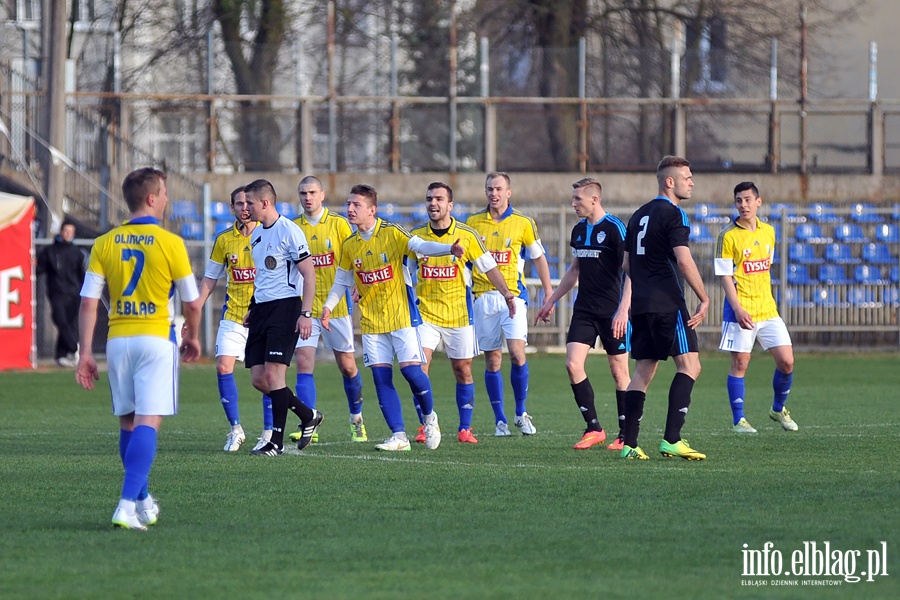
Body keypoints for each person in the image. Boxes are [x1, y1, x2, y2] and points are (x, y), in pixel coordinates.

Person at [75, 167, 202, 530]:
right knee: (149, 420)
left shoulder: (104, 242)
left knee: (128, 422)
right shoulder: (170, 242)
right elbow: (192, 303)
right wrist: (192, 335)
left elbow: (88, 303)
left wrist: (85, 353)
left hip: (117, 341)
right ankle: (126, 504)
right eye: (163, 193)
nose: (166, 199)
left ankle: (143, 500)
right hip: (156, 339)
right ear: (151, 198)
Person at [321, 184, 464, 452]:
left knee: (411, 371)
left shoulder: (391, 232)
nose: (350, 209)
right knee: (380, 379)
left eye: (356, 205)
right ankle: (399, 436)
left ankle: (430, 418)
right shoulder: (350, 244)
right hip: (372, 323)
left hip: (402, 318)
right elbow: (342, 278)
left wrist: (448, 250)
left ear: (372, 210)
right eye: (349, 204)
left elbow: (419, 245)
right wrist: (329, 306)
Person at [408, 182, 517, 444]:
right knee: (418, 369)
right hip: (425, 315)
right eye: (429, 199)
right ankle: (427, 424)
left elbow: (489, 268)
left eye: (439, 199)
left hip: (459, 315)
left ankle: (464, 428)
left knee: (463, 370)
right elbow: (404, 271)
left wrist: (508, 294)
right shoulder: (416, 236)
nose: (433, 204)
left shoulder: (466, 235)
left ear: (450, 205)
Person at [621, 156, 710, 461]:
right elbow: (683, 260)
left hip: (642, 305)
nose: (691, 182)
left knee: (643, 371)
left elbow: (626, 264)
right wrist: (705, 297)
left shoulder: (637, 216)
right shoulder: (674, 214)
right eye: (687, 177)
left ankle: (630, 445)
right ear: (669, 182)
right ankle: (672, 439)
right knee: (690, 366)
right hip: (668, 303)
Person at [535, 178, 632, 450]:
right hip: (585, 310)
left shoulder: (615, 229)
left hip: (613, 311)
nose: (573, 203)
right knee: (572, 364)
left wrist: (624, 309)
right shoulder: (578, 230)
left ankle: (625, 435)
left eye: (578, 199)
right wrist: (551, 300)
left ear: (594, 200)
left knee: (618, 371)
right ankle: (594, 428)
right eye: (573, 198)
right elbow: (575, 270)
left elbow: (631, 271)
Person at [465, 171, 554, 436]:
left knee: (516, 353)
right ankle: (500, 420)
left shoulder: (523, 222)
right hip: (483, 298)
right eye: (489, 189)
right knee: (492, 360)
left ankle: (520, 413)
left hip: (514, 297)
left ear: (508, 192)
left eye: (499, 189)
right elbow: (465, 263)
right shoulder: (472, 223)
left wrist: (548, 291)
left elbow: (539, 257)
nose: (494, 194)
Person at [241, 179, 322, 457]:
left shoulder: (290, 231)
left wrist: (306, 313)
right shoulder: (256, 236)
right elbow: (262, 276)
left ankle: (275, 442)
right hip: (262, 310)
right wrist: (253, 306)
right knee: (259, 378)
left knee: (275, 374)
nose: (246, 208)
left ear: (264, 202)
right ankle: (307, 414)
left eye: (250, 202)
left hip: (285, 308)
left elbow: (309, 274)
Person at [285, 175, 368, 445]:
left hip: (336, 308)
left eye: (312, 192)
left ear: (322, 195)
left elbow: (355, 254)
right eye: (302, 193)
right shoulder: (291, 227)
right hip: (305, 309)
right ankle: (309, 423)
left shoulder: (339, 224)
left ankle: (357, 420)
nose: (307, 197)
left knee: (347, 367)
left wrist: (357, 283)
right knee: (304, 363)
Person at [195, 186, 274, 453]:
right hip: (234, 316)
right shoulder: (224, 240)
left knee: (266, 377)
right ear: (232, 208)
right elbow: (210, 279)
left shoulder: (270, 236)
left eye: (247, 203)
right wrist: (194, 308)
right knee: (222, 367)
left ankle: (268, 432)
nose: (243, 208)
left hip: (264, 317)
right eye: (238, 203)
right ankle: (236, 429)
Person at [715, 181, 797, 433]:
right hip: (741, 310)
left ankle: (777, 409)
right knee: (740, 363)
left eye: (748, 199)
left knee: (787, 362)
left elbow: (766, 267)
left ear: (758, 202)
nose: (744, 205)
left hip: (768, 309)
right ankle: (739, 419)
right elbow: (725, 276)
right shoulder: (727, 235)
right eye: (739, 200)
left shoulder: (769, 232)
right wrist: (738, 308)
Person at [37, 221, 86, 367]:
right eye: (66, 231)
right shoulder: (50, 251)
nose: (68, 234)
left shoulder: (77, 253)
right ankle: (74, 347)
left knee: (69, 324)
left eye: (71, 232)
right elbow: (41, 269)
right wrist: (34, 264)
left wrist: (85, 290)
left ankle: (61, 355)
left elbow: (81, 274)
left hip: (74, 292)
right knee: (59, 319)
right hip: (57, 292)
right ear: (61, 231)